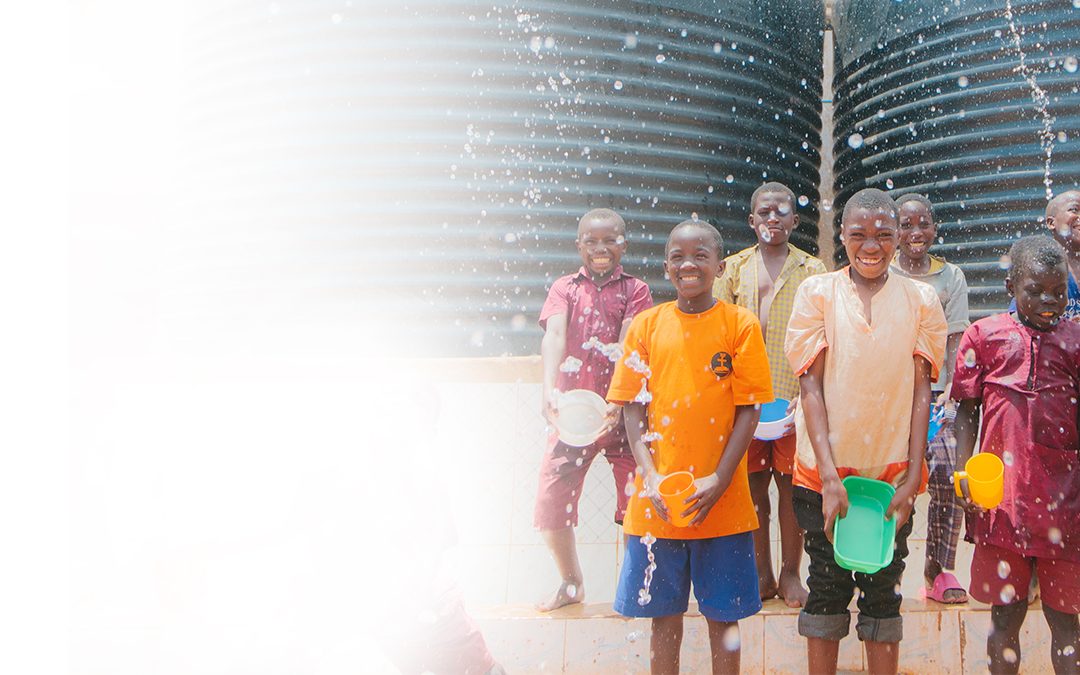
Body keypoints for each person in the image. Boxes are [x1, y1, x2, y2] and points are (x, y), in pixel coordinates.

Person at [784, 188, 947, 675]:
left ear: (898, 237)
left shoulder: (921, 299)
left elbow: (922, 393)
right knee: (826, 586)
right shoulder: (817, 293)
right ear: (842, 235)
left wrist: (912, 476)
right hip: (823, 477)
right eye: (858, 234)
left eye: (883, 234)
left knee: (883, 593)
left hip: (890, 479)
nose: (871, 246)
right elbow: (810, 388)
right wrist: (830, 477)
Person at [607, 218, 772, 674]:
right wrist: (651, 476)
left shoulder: (739, 324)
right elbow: (632, 409)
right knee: (663, 618)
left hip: (724, 504)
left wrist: (719, 478)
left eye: (701, 256)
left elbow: (749, 410)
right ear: (666, 267)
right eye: (678, 257)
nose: (688, 265)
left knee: (724, 620)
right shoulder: (646, 326)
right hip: (659, 504)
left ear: (720, 266)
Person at [952, 234, 1080, 674]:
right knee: (1005, 616)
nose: (1049, 301)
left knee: (1066, 622)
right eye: (1035, 290)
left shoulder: (1075, 341)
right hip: (1002, 503)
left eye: (1058, 291)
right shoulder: (984, 336)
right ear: (1010, 288)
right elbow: (966, 412)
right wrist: (964, 472)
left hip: (1065, 505)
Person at [534, 208, 653, 611]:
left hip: (624, 415)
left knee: (638, 503)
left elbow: (629, 344)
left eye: (609, 241)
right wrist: (548, 390)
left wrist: (618, 400)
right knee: (551, 499)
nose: (600, 249)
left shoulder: (636, 290)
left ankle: (633, 589)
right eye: (592, 242)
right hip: (573, 414)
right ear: (578, 246)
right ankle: (571, 583)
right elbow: (554, 335)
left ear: (624, 245)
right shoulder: (564, 288)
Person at [712, 181, 825, 608]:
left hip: (794, 400)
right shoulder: (733, 269)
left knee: (792, 490)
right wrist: (729, 394)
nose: (772, 219)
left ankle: (791, 573)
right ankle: (761, 574)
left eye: (781, 212)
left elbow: (823, 335)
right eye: (764, 212)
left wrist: (809, 391)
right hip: (746, 403)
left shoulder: (812, 270)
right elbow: (718, 334)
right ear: (751, 220)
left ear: (795, 220)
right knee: (753, 489)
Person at [890, 193, 971, 604]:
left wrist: (952, 393)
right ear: (894, 231)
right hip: (892, 393)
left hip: (937, 394)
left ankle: (938, 569)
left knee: (946, 472)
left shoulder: (950, 277)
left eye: (923, 223)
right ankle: (885, 567)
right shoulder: (882, 270)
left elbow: (956, 339)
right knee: (889, 475)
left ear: (935, 228)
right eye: (906, 225)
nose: (916, 232)